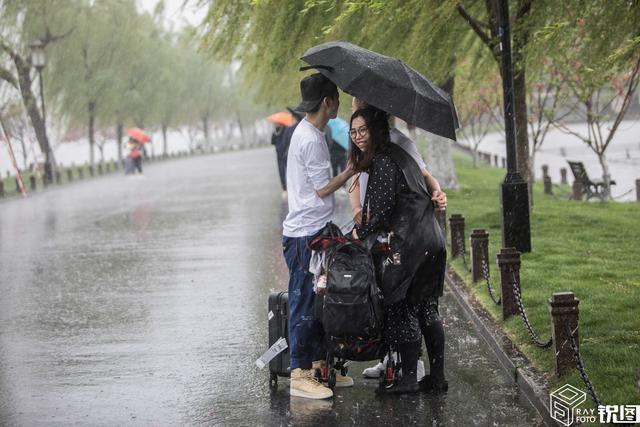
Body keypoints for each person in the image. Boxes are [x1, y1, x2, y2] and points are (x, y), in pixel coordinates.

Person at [350, 98, 448, 394]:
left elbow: (380, 211)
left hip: (409, 246)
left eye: (362, 130)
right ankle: (437, 378)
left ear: (376, 127)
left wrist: (357, 236)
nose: (357, 137)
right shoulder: (400, 153)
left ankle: (407, 379)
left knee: (403, 307)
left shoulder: (383, 159)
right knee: (428, 309)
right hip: (431, 239)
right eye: (353, 132)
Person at [282, 73, 356, 400]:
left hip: (315, 230)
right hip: (304, 235)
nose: (338, 104)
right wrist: (352, 170)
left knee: (318, 299)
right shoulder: (310, 139)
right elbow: (322, 189)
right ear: (327, 102)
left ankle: (316, 367)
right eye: (336, 99)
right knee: (303, 300)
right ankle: (299, 373)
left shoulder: (311, 132)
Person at [271, 124, 286, 191]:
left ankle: (285, 185)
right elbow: (272, 142)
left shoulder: (284, 130)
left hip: (283, 153)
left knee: (283, 170)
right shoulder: (279, 130)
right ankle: (284, 185)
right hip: (280, 153)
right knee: (281, 170)